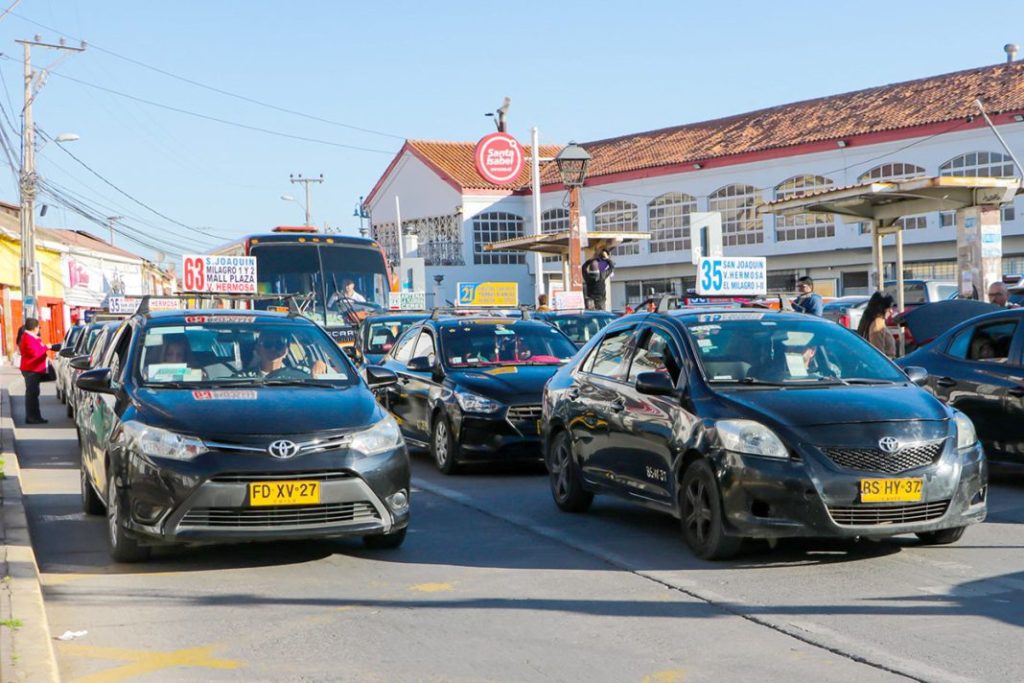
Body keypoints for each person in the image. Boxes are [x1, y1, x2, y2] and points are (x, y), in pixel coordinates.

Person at [250, 330, 328, 378]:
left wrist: (321, 365)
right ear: (258, 349)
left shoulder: (301, 372)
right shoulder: (245, 378)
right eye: (268, 343)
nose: (273, 349)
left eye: (279, 344)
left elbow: (331, 378)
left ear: (286, 351)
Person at [18, 318, 50, 424]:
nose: (38, 329)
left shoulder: (30, 337)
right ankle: (32, 417)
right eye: (38, 327)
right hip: (31, 369)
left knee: (33, 393)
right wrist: (47, 347)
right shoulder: (28, 338)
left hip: (33, 368)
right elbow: (36, 353)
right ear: (35, 328)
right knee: (32, 394)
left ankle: (35, 416)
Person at [856, 292, 897, 358]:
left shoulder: (879, 322)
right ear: (881, 307)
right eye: (889, 308)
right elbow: (879, 356)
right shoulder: (877, 325)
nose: (891, 311)